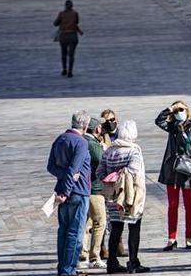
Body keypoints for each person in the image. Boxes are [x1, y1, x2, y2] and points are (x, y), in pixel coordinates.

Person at [97, 121, 149, 274]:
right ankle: (133, 262)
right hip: (130, 196)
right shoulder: (134, 151)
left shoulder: (109, 151)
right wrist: (120, 176)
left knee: (115, 229)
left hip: (112, 196)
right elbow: (133, 169)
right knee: (134, 227)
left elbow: (99, 172)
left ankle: (112, 263)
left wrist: (111, 178)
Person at [155, 101, 191, 250]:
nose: (179, 112)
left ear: (187, 110)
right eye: (177, 110)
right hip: (173, 169)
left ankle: (189, 237)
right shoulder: (173, 126)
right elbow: (158, 121)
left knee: (189, 205)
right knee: (172, 205)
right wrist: (169, 109)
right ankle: (172, 238)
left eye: (181, 109)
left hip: (188, 170)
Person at [47, 110, 92, 276]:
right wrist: (67, 187)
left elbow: (51, 166)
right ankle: (68, 270)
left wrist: (64, 177)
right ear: (85, 126)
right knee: (75, 234)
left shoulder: (60, 139)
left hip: (61, 191)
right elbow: (75, 168)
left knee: (63, 232)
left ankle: (63, 268)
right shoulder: (81, 142)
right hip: (77, 192)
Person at [98, 109, 125, 259]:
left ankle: (119, 245)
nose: (110, 123)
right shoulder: (101, 136)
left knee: (118, 213)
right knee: (104, 215)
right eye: (106, 121)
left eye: (112, 119)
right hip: (105, 180)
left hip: (119, 180)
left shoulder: (122, 134)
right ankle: (102, 248)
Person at [80, 117, 107, 269]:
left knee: (84, 223)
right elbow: (102, 160)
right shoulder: (92, 143)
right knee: (100, 222)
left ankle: (82, 253)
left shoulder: (82, 140)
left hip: (84, 188)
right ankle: (94, 256)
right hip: (95, 189)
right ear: (97, 129)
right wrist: (104, 149)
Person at [54, 0, 83, 77]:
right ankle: (70, 71)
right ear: (72, 6)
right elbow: (76, 22)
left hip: (63, 36)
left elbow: (55, 23)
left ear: (65, 6)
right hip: (73, 36)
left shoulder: (61, 14)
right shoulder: (75, 13)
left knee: (63, 54)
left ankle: (64, 69)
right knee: (71, 54)